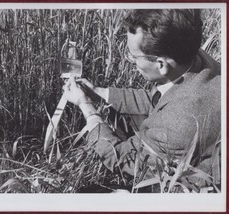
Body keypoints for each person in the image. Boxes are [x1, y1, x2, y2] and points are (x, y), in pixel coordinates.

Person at [63, 9, 221, 189]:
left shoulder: (181, 123)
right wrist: (98, 92)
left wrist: (86, 107)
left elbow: (124, 158)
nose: (130, 61)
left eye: (133, 56)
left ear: (161, 65)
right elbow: (159, 102)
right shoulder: (194, 56)